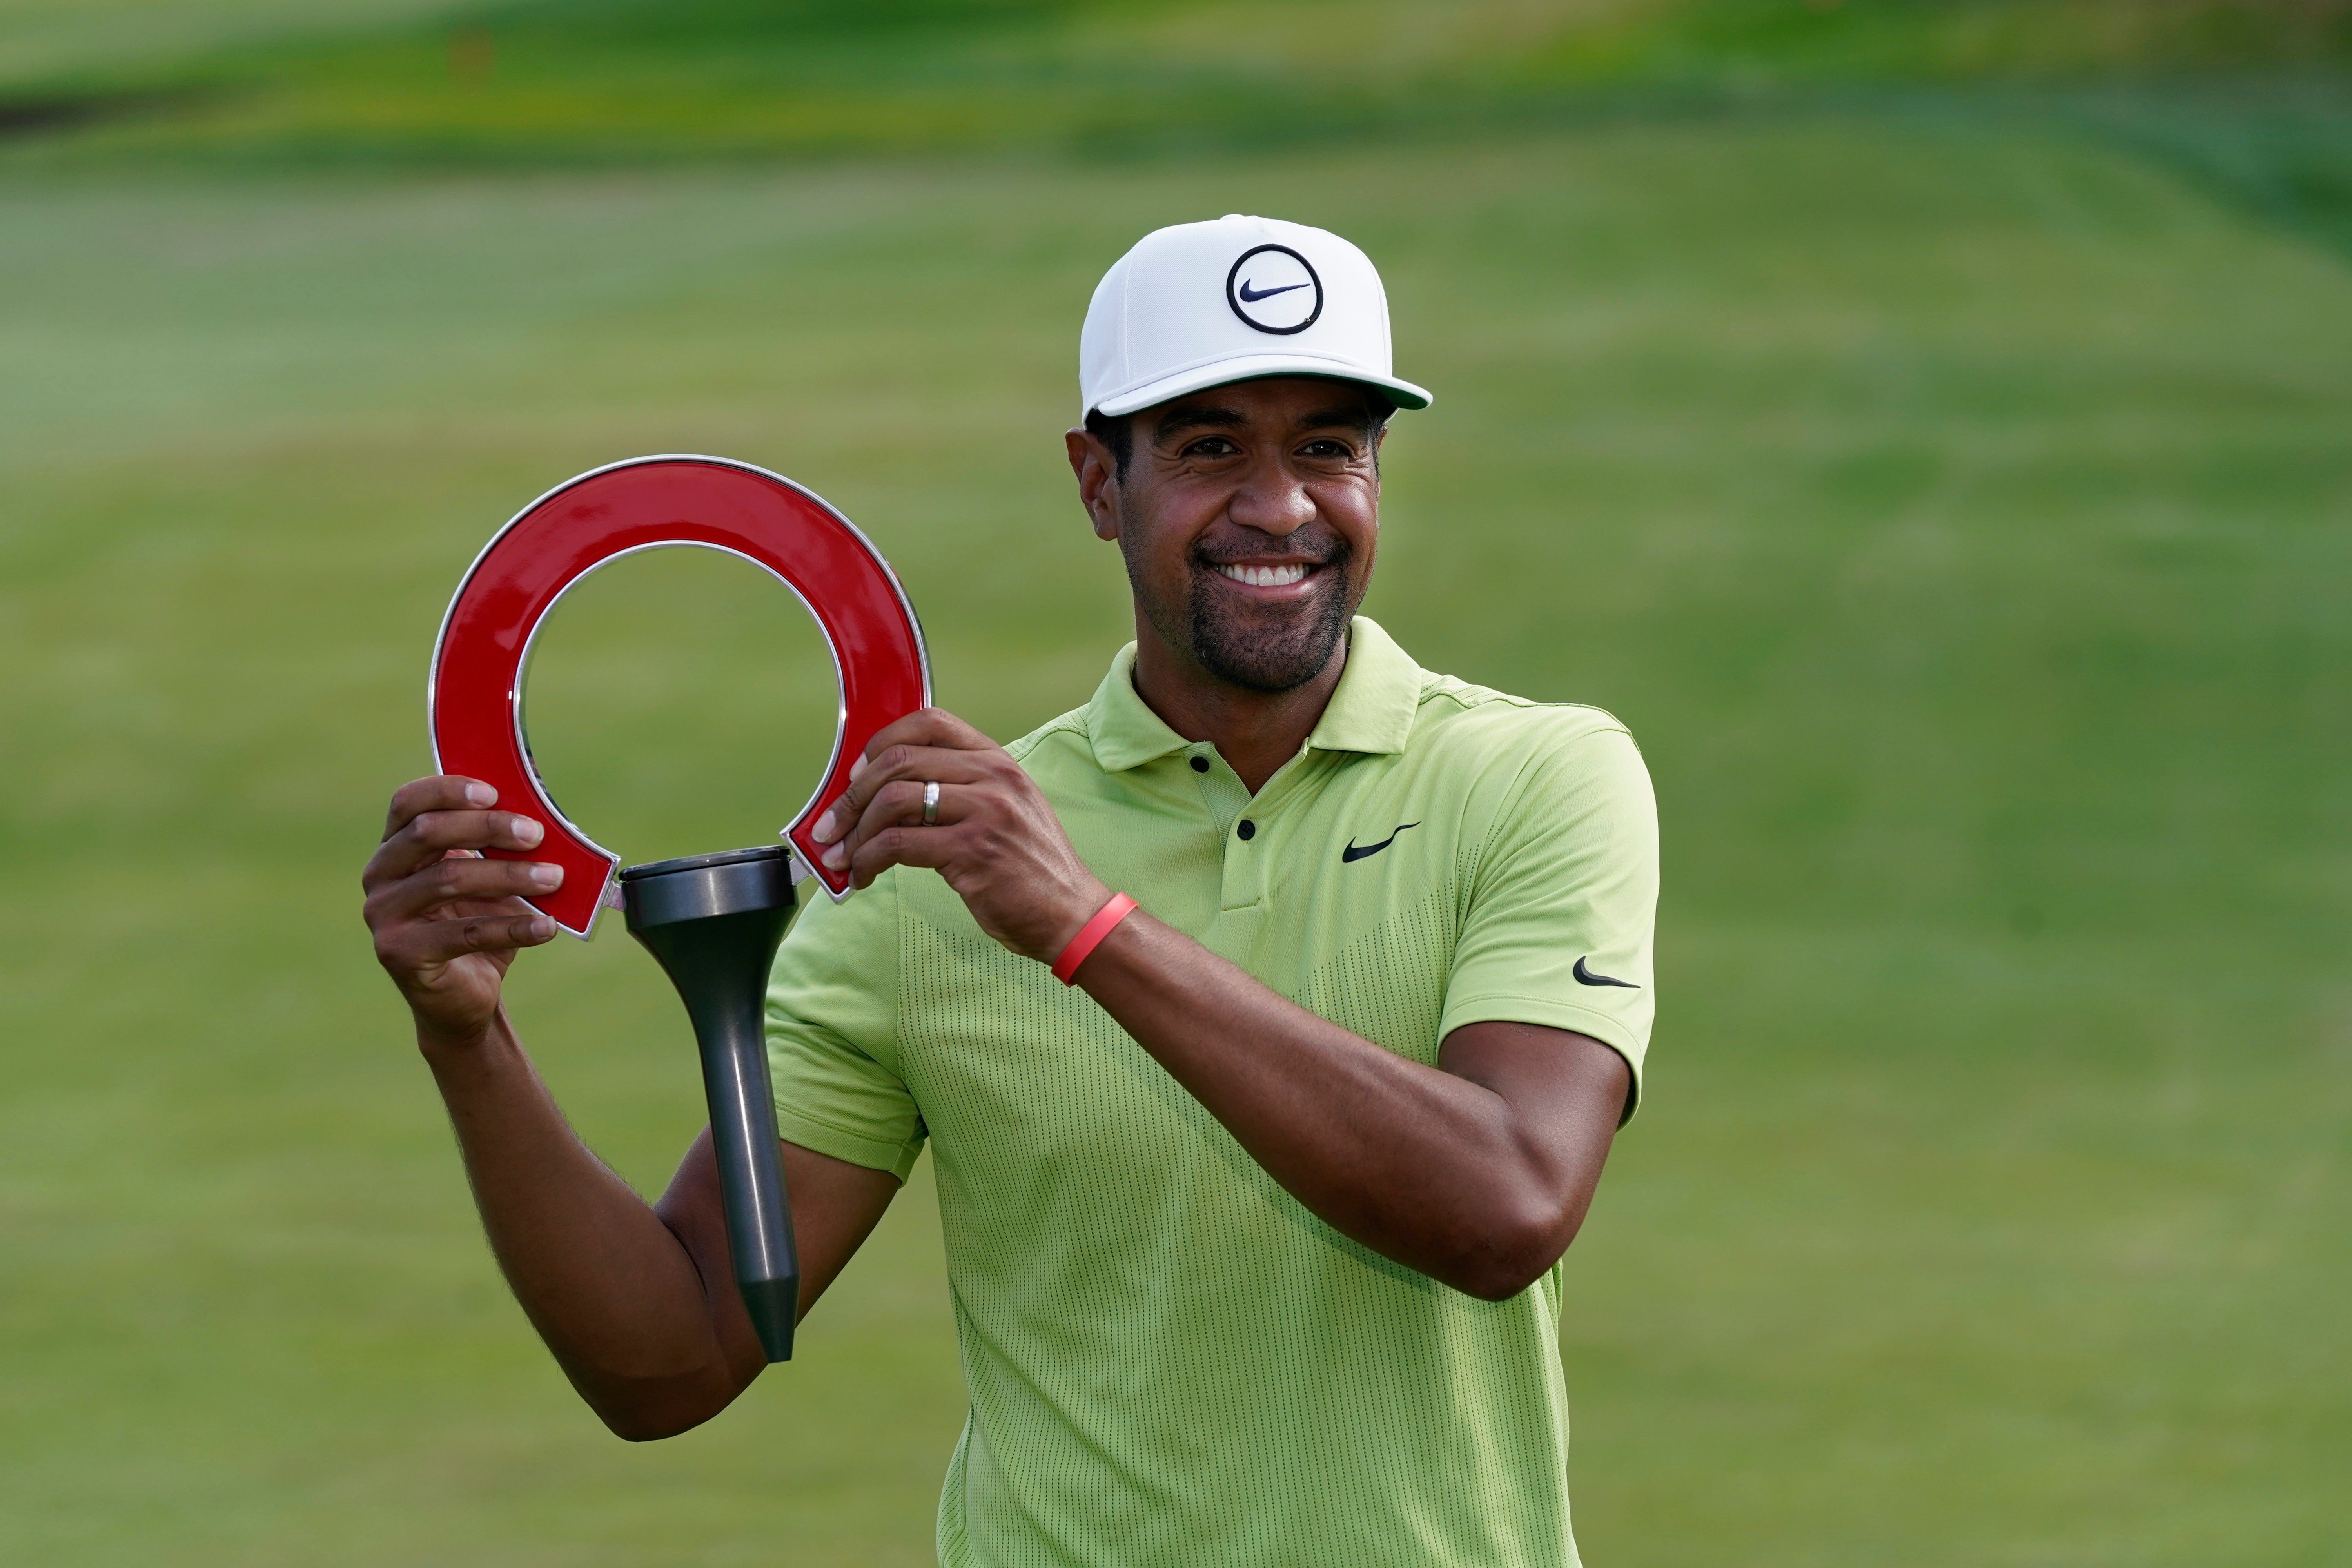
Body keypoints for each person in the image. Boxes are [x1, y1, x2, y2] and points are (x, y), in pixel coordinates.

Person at [363, 214, 1658, 1566]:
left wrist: (1082, 927)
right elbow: (674, 1361)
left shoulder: (1541, 777)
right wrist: (470, 1039)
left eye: (1330, 446)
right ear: (1099, 483)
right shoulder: (928, 868)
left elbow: (1506, 1206)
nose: (1281, 507)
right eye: (1210, 447)